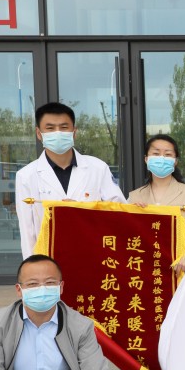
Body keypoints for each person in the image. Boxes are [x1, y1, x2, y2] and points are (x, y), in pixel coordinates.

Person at [15, 102, 126, 258]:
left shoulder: (98, 168)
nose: (58, 133)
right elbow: (27, 229)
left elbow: (119, 212)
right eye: (50, 128)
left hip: (92, 254)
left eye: (64, 127)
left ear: (74, 132)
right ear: (39, 133)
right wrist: (31, 266)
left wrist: (80, 211)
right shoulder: (26, 176)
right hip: (49, 258)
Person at [128, 134, 185, 272]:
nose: (161, 158)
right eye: (156, 153)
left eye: (167, 154)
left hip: (180, 269)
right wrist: (130, 216)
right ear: (146, 159)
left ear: (175, 161)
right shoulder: (134, 197)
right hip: (144, 269)